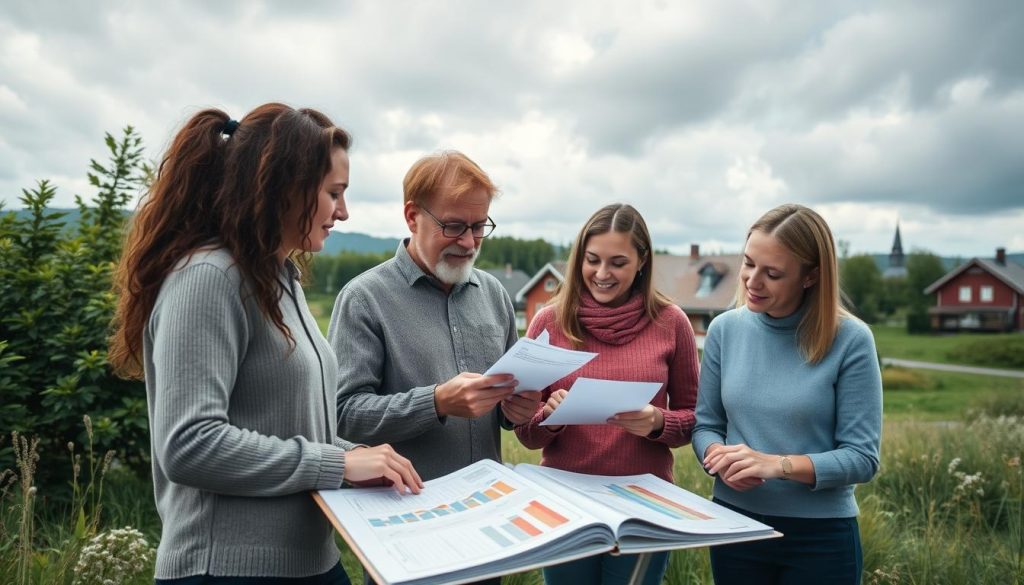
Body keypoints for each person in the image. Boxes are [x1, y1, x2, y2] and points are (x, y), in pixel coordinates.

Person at [109, 103, 422, 585]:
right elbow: (189, 444)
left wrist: (362, 458)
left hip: (310, 562)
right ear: (285, 189)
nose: (343, 211)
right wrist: (340, 463)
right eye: (333, 193)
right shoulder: (208, 278)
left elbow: (284, 425)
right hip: (227, 569)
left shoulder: (278, 278)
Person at [692, 203, 882, 585]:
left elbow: (862, 458)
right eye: (748, 264)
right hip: (735, 525)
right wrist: (718, 457)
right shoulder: (724, 330)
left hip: (821, 539)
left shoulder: (851, 340)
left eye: (773, 273)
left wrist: (776, 465)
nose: (752, 282)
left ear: (810, 277)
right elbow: (706, 425)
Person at [513, 203, 700, 585]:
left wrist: (656, 422)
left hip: (644, 504)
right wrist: (549, 417)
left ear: (642, 261)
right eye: (592, 260)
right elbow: (525, 434)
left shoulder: (671, 322)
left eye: (617, 262)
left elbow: (695, 419)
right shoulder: (549, 321)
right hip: (565, 502)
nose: (601, 274)